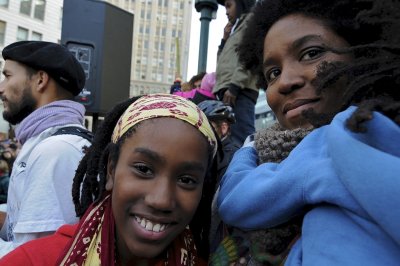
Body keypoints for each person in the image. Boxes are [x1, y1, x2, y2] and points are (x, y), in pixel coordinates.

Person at [217, 0, 400, 265]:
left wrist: (246, 153)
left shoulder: (342, 135)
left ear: (363, 51)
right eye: (273, 73)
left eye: (311, 53)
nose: (286, 82)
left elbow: (237, 198)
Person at [0, 93, 219, 265]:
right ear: (111, 170)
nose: (161, 200)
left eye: (187, 180)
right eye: (143, 169)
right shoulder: (34, 261)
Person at [0, 41, 91, 256]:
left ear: (40, 80)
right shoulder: (44, 141)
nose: (1, 87)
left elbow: (33, 258)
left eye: (8, 76)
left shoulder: (57, 150)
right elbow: (20, 231)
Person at [213, 0, 258, 145]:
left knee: (243, 139)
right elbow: (221, 62)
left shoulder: (251, 21)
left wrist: (234, 87)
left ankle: (249, 168)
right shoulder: (235, 28)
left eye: (229, 5)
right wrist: (224, 40)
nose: (226, 11)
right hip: (228, 90)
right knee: (229, 140)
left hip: (238, 91)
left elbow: (249, 55)